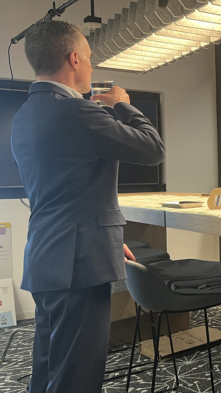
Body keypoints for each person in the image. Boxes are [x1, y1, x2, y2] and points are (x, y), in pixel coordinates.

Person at [11, 20, 165, 393]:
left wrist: (107, 240)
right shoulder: (76, 112)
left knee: (49, 370)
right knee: (76, 378)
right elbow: (152, 149)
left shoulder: (24, 115)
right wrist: (124, 106)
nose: (93, 66)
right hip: (77, 266)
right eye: (91, 57)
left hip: (48, 258)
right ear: (74, 58)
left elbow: (67, 190)